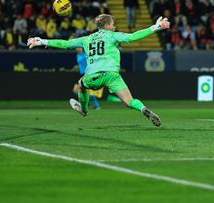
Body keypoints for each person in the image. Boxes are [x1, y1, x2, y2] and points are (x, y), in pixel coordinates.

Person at [27, 14, 170, 126]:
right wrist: (156, 27)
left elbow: (65, 44)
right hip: (113, 75)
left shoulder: (87, 39)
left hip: (94, 76)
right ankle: (143, 109)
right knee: (129, 101)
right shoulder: (113, 36)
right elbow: (133, 36)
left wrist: (41, 41)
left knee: (81, 85)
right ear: (107, 25)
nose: (114, 27)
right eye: (113, 24)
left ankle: (83, 110)